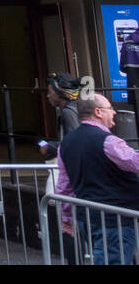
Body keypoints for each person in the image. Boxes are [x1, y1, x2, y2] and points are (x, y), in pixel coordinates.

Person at [55, 92, 139, 265]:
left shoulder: (66, 143)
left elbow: (64, 186)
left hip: (87, 217)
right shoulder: (109, 142)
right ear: (98, 112)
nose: (114, 112)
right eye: (110, 108)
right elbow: (136, 163)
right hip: (115, 218)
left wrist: (66, 218)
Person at [41, 72, 83, 160]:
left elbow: (74, 143)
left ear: (60, 94)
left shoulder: (68, 112)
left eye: (50, 92)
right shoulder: (77, 107)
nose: (48, 96)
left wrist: (49, 146)